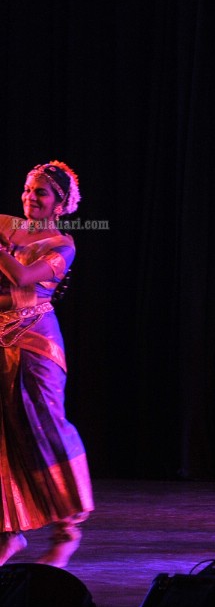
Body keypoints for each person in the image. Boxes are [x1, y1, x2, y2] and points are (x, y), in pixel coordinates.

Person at [0, 161, 94, 569]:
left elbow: (22, 279)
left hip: (37, 341)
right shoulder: (6, 225)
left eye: (40, 192)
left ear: (59, 203)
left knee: (45, 426)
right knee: (3, 435)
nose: (30, 198)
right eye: (27, 189)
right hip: (1, 337)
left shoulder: (62, 243)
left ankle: (68, 528)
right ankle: (8, 532)